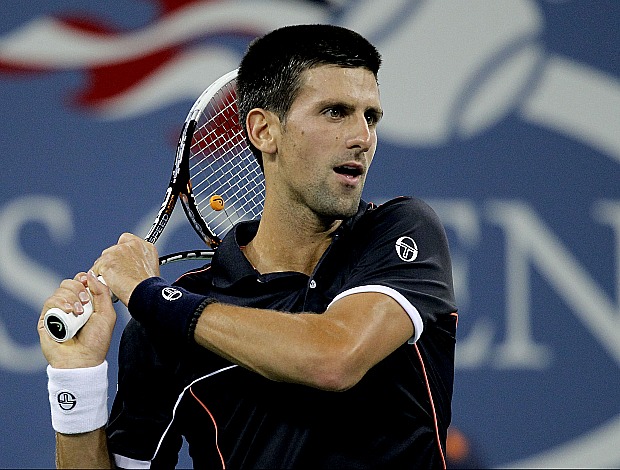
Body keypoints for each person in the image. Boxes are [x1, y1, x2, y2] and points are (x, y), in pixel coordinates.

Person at [39, 24, 457, 469]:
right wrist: (76, 376)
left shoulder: (399, 233)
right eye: (335, 112)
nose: (362, 137)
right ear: (263, 130)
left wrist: (151, 296)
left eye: (370, 116)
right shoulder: (161, 330)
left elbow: (334, 357)